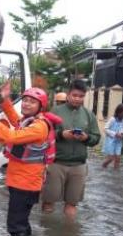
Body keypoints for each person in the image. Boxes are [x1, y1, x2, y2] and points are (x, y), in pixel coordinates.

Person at [0, 84, 62, 236]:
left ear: (40, 106)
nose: (26, 104)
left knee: (15, 223)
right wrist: (4, 100)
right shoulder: (30, 121)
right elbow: (15, 119)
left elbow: (12, 136)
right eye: (25, 100)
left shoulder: (39, 127)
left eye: (32, 102)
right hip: (21, 180)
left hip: (26, 183)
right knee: (21, 220)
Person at [41, 80, 101, 219]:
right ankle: (47, 235)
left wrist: (86, 138)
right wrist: (62, 135)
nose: (77, 98)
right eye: (74, 95)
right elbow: (44, 133)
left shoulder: (88, 115)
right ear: (68, 95)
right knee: (49, 202)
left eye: (81, 96)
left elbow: (96, 138)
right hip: (56, 163)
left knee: (72, 204)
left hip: (78, 166)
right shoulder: (56, 111)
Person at [102, 104, 123, 169]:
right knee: (110, 158)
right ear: (119, 112)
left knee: (118, 159)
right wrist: (115, 134)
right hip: (111, 141)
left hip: (118, 141)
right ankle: (103, 166)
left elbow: (121, 130)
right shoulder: (112, 119)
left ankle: (116, 173)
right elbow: (105, 129)